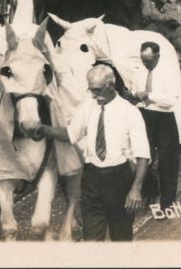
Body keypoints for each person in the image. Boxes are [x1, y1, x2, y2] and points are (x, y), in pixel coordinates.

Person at [36, 65, 149, 241]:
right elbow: (71, 134)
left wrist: (136, 189)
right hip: (92, 180)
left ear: (111, 85)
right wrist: (43, 129)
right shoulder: (88, 106)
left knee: (121, 239)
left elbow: (143, 156)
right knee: (91, 240)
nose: (93, 95)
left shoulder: (130, 113)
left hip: (119, 180)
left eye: (96, 90)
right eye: (90, 90)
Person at [129, 42, 181, 215]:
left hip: (164, 118)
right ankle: (149, 192)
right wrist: (133, 94)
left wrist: (150, 95)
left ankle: (167, 203)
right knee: (144, 156)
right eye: (144, 60)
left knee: (168, 161)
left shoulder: (168, 72)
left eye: (149, 61)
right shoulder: (139, 71)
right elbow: (135, 91)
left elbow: (172, 100)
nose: (146, 64)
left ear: (157, 56)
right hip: (144, 115)